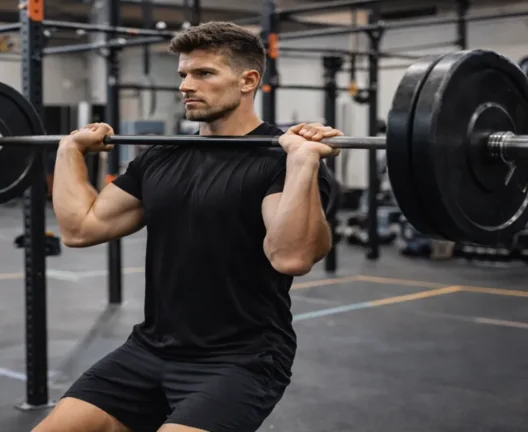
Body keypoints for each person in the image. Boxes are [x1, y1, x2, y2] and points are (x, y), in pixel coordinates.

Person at [37, 21, 342, 432]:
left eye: (204, 73)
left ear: (248, 80)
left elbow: (291, 256)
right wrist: (69, 150)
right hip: (149, 349)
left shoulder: (278, 159)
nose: (185, 85)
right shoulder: (161, 156)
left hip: (240, 360)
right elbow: (81, 229)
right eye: (183, 74)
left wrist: (303, 162)